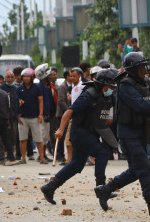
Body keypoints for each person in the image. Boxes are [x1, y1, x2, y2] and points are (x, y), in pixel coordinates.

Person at [94, 52, 150, 219]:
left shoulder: (145, 83)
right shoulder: (125, 85)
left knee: (135, 171)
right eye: (141, 67)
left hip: (141, 131)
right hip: (129, 134)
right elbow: (141, 105)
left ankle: (105, 190)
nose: (145, 70)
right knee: (144, 169)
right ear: (132, 69)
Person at [41, 69, 120, 204]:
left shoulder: (108, 96)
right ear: (102, 84)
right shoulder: (89, 95)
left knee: (77, 164)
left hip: (92, 131)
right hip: (80, 131)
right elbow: (68, 112)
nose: (112, 89)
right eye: (110, 86)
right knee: (102, 153)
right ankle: (101, 187)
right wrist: (60, 130)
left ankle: (50, 187)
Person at [16, 67, 38, 164]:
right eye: (24, 77)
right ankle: (23, 158)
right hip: (22, 117)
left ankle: (42, 158)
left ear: (32, 77)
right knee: (22, 139)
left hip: (34, 117)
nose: (25, 78)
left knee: (38, 138)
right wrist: (17, 114)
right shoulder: (19, 89)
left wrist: (40, 114)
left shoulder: (37, 88)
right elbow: (15, 104)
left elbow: (40, 101)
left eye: (27, 77)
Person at [0, 70, 20, 164]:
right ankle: (1, 157)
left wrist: (18, 114)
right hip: (4, 116)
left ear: (14, 78)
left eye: (11, 77)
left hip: (14, 116)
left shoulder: (16, 88)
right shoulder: (1, 88)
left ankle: (11, 156)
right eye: (8, 77)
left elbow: (17, 103)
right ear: (5, 78)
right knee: (2, 137)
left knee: (13, 137)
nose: (10, 79)